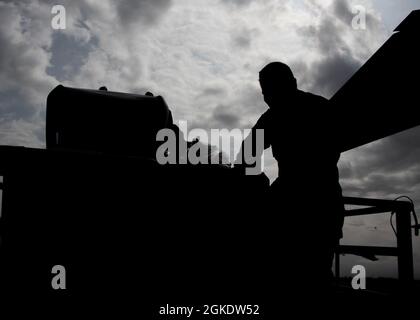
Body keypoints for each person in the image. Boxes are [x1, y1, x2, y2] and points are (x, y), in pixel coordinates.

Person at [235, 61, 344, 291]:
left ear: (292, 84)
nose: (267, 97)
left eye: (270, 91)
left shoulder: (274, 117)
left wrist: (258, 184)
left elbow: (246, 156)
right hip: (322, 204)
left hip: (303, 207)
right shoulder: (319, 108)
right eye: (265, 93)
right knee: (314, 275)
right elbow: (247, 154)